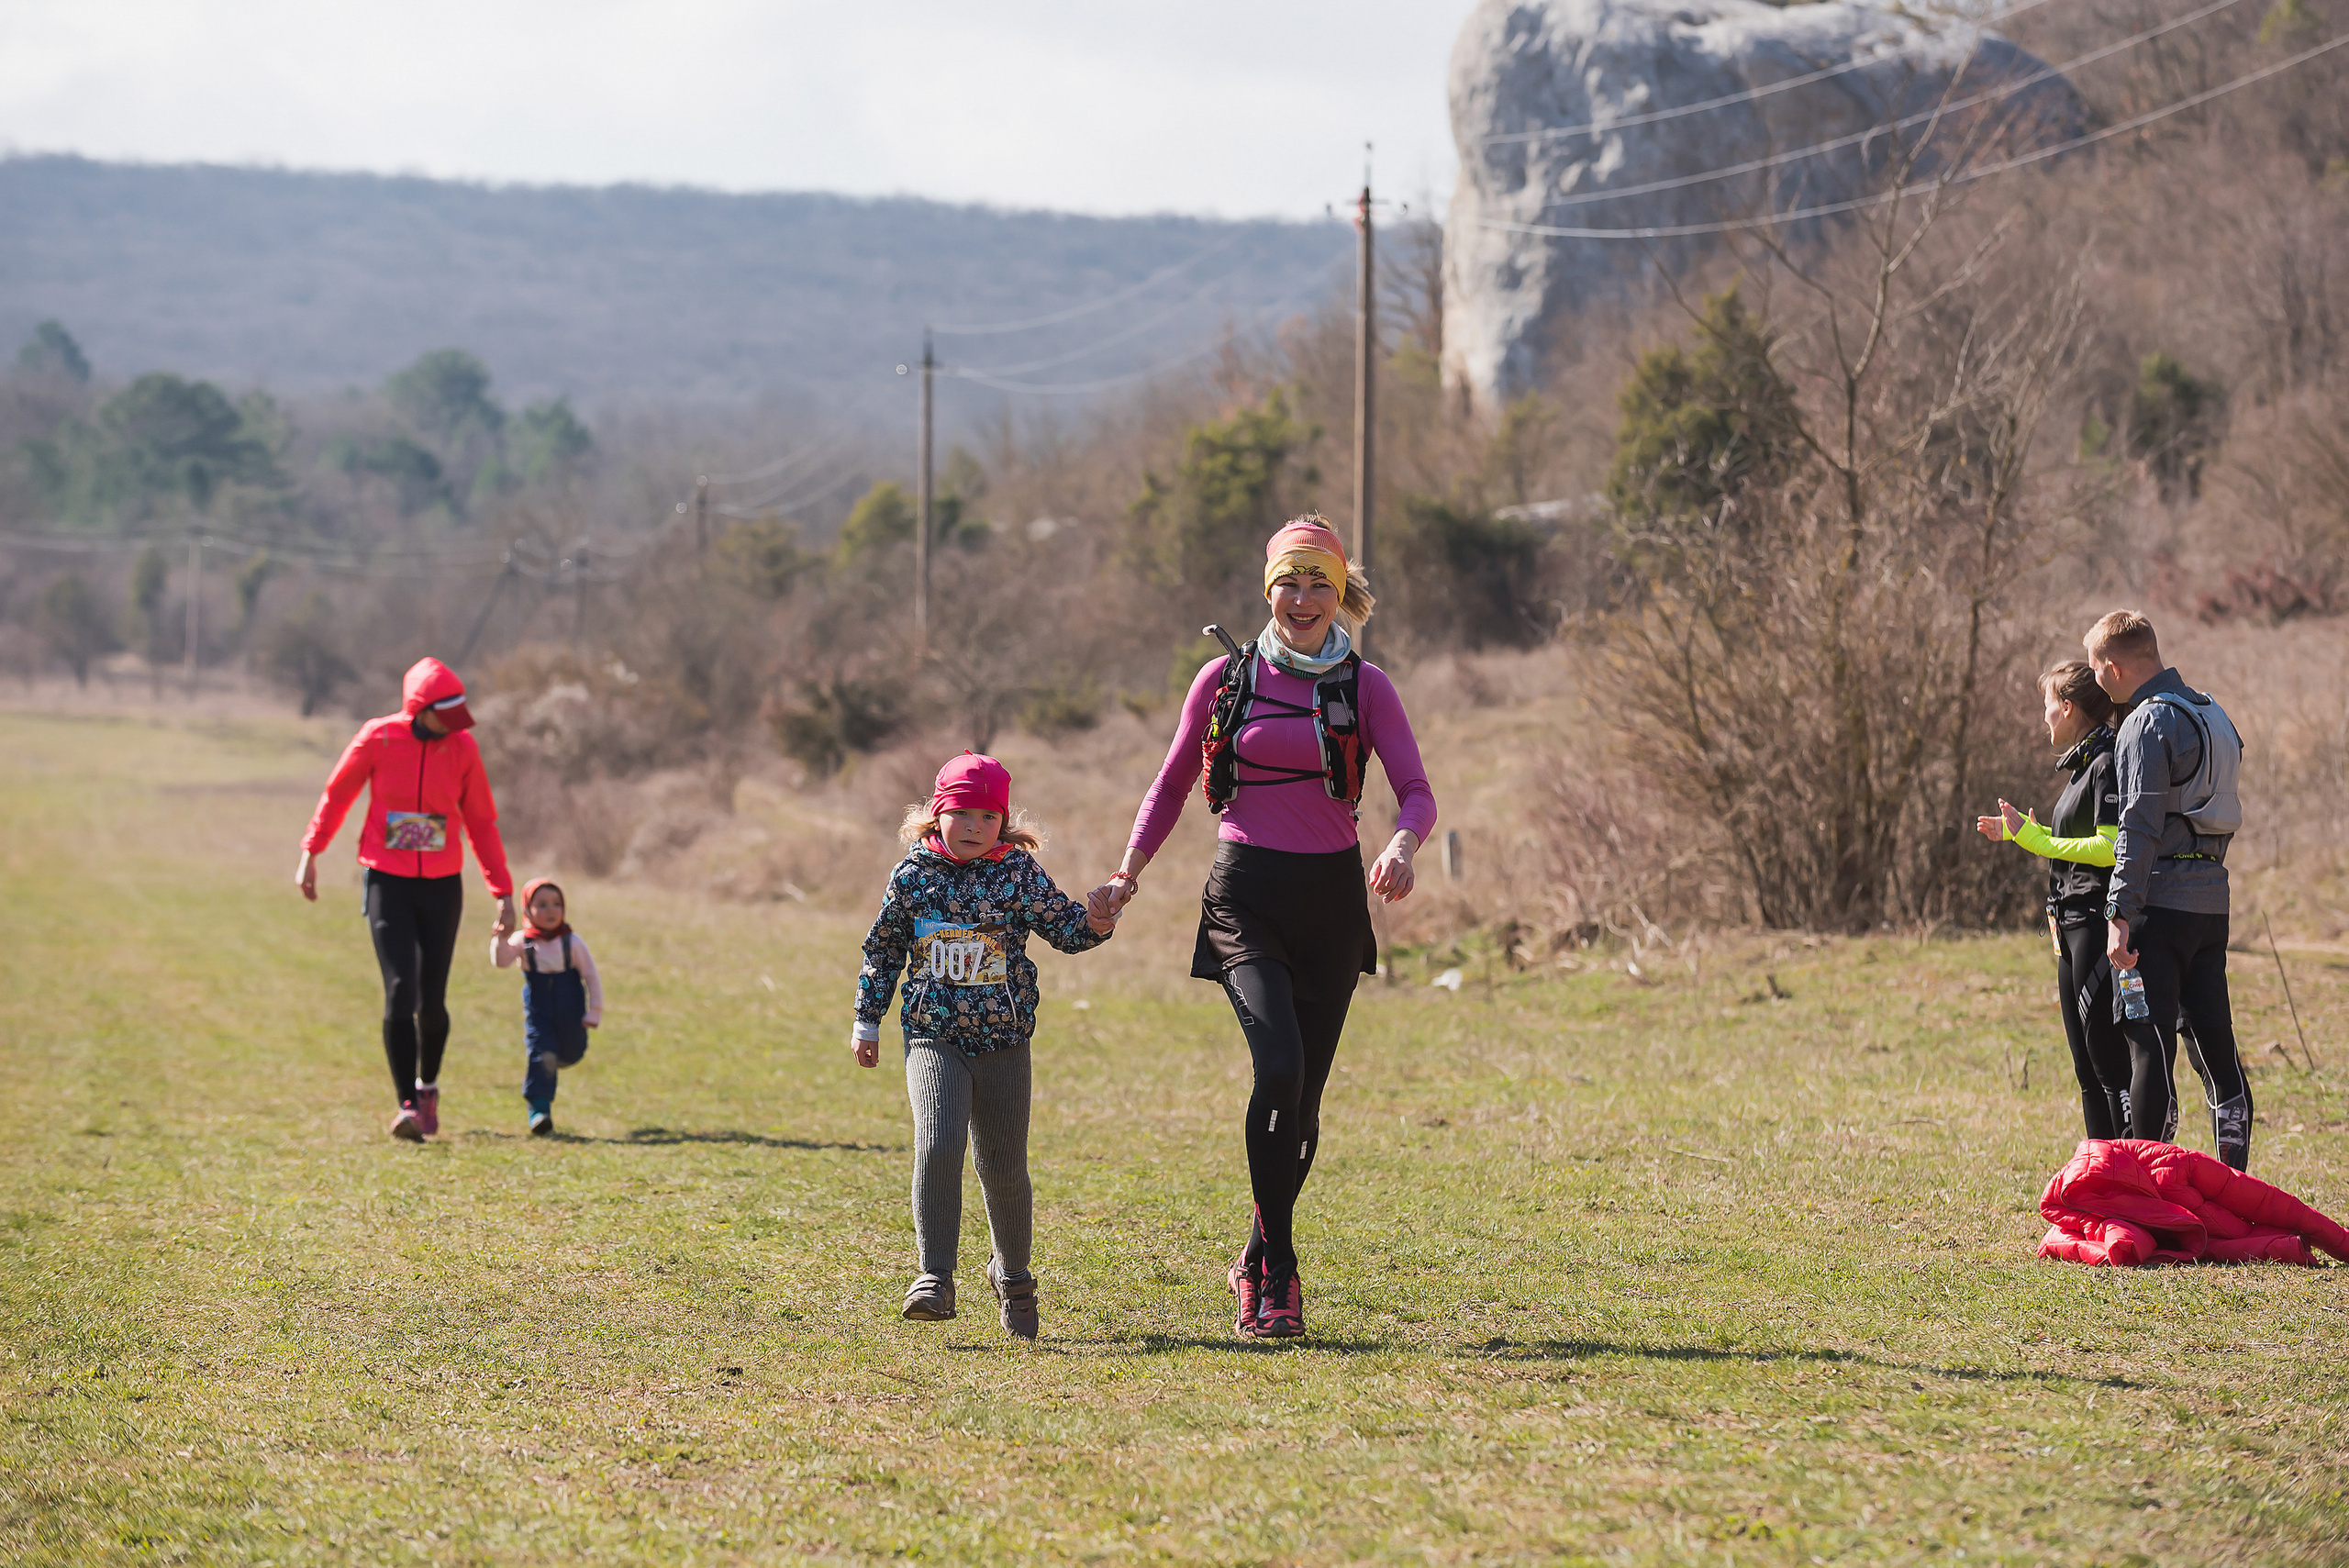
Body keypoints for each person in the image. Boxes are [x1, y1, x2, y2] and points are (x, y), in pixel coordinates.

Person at [1095, 516, 1436, 1340]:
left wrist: (1399, 843)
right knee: (1277, 1065)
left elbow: (1416, 791)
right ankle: (1279, 1273)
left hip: (1330, 903)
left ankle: (1254, 1253)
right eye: (1291, 580)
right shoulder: (1224, 678)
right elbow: (1172, 783)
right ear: (1268, 589)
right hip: (1244, 897)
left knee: (1305, 1102)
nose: (1306, 597)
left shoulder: (1365, 684)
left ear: (1339, 590)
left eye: (1321, 581)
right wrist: (1126, 871)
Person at [851, 752, 1116, 1340]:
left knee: (1005, 1170)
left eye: (988, 817)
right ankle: (935, 1278)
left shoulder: (1017, 874)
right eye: (962, 812)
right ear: (938, 813)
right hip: (932, 1035)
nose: (974, 826)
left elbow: (1067, 931)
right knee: (939, 1146)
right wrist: (866, 1021)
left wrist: (1099, 919)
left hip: (1003, 1041)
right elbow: (884, 949)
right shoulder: (912, 876)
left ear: (1003, 823)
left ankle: (1014, 1279)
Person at [297, 656, 515, 1141]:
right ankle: (407, 1106)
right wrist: (312, 852)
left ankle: (429, 1086)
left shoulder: (461, 748)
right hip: (386, 881)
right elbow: (338, 795)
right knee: (401, 991)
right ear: (420, 708)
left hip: (442, 886)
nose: (455, 726)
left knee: (432, 1002)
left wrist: (501, 891)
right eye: (447, 714)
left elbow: (481, 823)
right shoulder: (379, 737)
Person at [2086, 609, 2254, 1170]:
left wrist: (2119, 912)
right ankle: (2235, 1182)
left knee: (2148, 1044)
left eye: (2095, 669)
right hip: (2211, 901)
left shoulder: (2145, 723)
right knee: (2214, 1047)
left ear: (2113, 667)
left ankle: (2148, 1186)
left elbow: (2139, 825)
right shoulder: (2213, 713)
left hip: (2157, 903)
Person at [1977, 660, 2132, 1138]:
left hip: (2092, 920)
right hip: (2067, 926)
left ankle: (2129, 1170)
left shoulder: (2105, 763)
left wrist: (2037, 843)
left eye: (2047, 705)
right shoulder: (2083, 765)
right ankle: (2098, 1176)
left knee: (2106, 1063)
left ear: (2067, 708)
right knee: (2085, 1066)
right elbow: (2076, 844)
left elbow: (2107, 848)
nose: (2043, 715)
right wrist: (2023, 833)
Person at [494, 877, 603, 1137]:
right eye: (541, 905)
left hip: (571, 1008)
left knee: (572, 1050)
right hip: (539, 1009)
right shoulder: (524, 941)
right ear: (527, 911)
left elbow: (591, 976)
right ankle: (539, 1111)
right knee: (542, 1053)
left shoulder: (572, 943)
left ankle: (559, 1059)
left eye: (556, 904)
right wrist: (500, 938)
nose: (550, 910)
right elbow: (501, 962)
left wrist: (594, 1010)